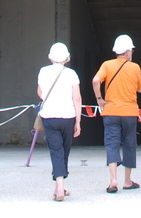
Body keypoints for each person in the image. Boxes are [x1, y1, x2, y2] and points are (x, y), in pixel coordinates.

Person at [94, 34, 141, 192]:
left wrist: (99, 98)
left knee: (112, 144)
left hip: (111, 111)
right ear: (128, 52)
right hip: (129, 112)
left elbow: (96, 80)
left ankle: (113, 180)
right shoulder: (135, 67)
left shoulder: (107, 65)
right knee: (129, 144)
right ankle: (128, 181)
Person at [37, 42, 81, 201]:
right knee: (64, 151)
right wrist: (78, 121)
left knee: (56, 151)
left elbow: (40, 92)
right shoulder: (72, 74)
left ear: (50, 57)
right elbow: (76, 98)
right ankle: (61, 186)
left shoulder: (43, 71)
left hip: (49, 116)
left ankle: (59, 187)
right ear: (66, 58)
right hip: (68, 116)